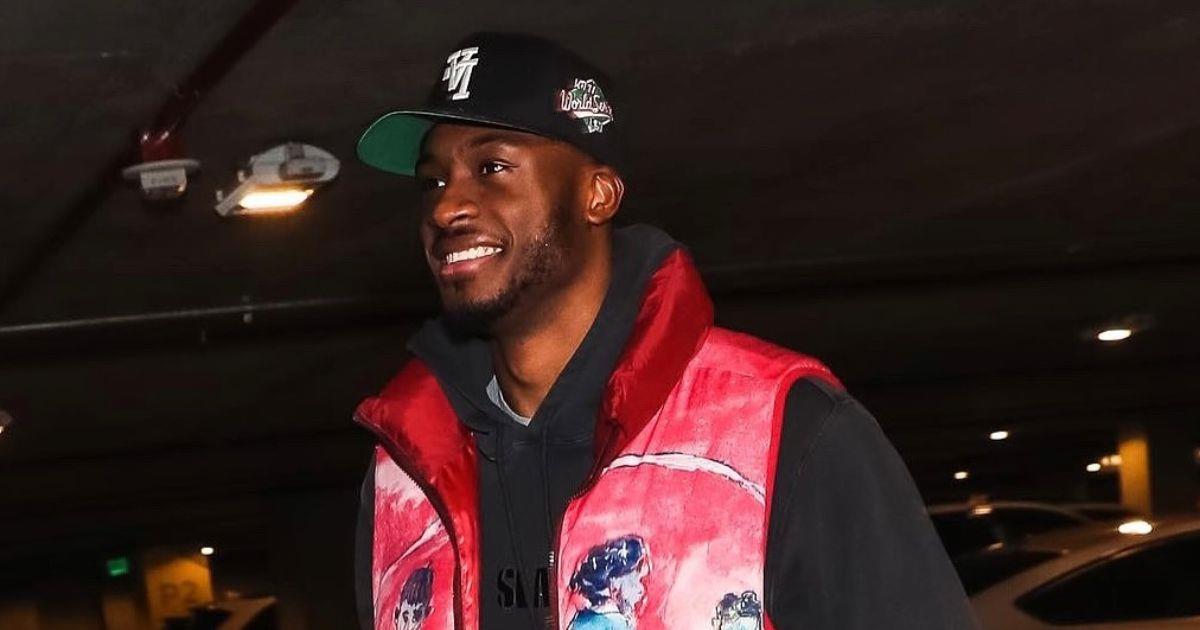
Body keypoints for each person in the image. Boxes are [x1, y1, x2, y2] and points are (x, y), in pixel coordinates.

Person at [353, 32, 978, 630]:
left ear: (598, 195)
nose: (445, 208)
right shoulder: (402, 477)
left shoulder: (784, 428)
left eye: (491, 167)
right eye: (433, 181)